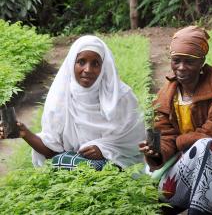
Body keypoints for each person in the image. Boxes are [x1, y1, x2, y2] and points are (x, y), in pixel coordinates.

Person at [0, 35, 145, 171]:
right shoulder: (61, 97)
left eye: (95, 63)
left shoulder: (121, 97)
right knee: (61, 161)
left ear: (104, 67)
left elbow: (136, 141)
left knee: (73, 164)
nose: (88, 70)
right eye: (81, 62)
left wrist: (104, 150)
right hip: (75, 167)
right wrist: (25, 133)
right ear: (71, 63)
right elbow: (52, 152)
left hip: (117, 164)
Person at [139, 26, 212, 215]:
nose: (181, 67)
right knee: (201, 147)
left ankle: (201, 210)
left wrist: (179, 142)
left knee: (206, 146)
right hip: (182, 173)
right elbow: (164, 138)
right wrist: (155, 152)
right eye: (176, 61)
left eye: (189, 62)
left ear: (201, 62)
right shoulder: (164, 97)